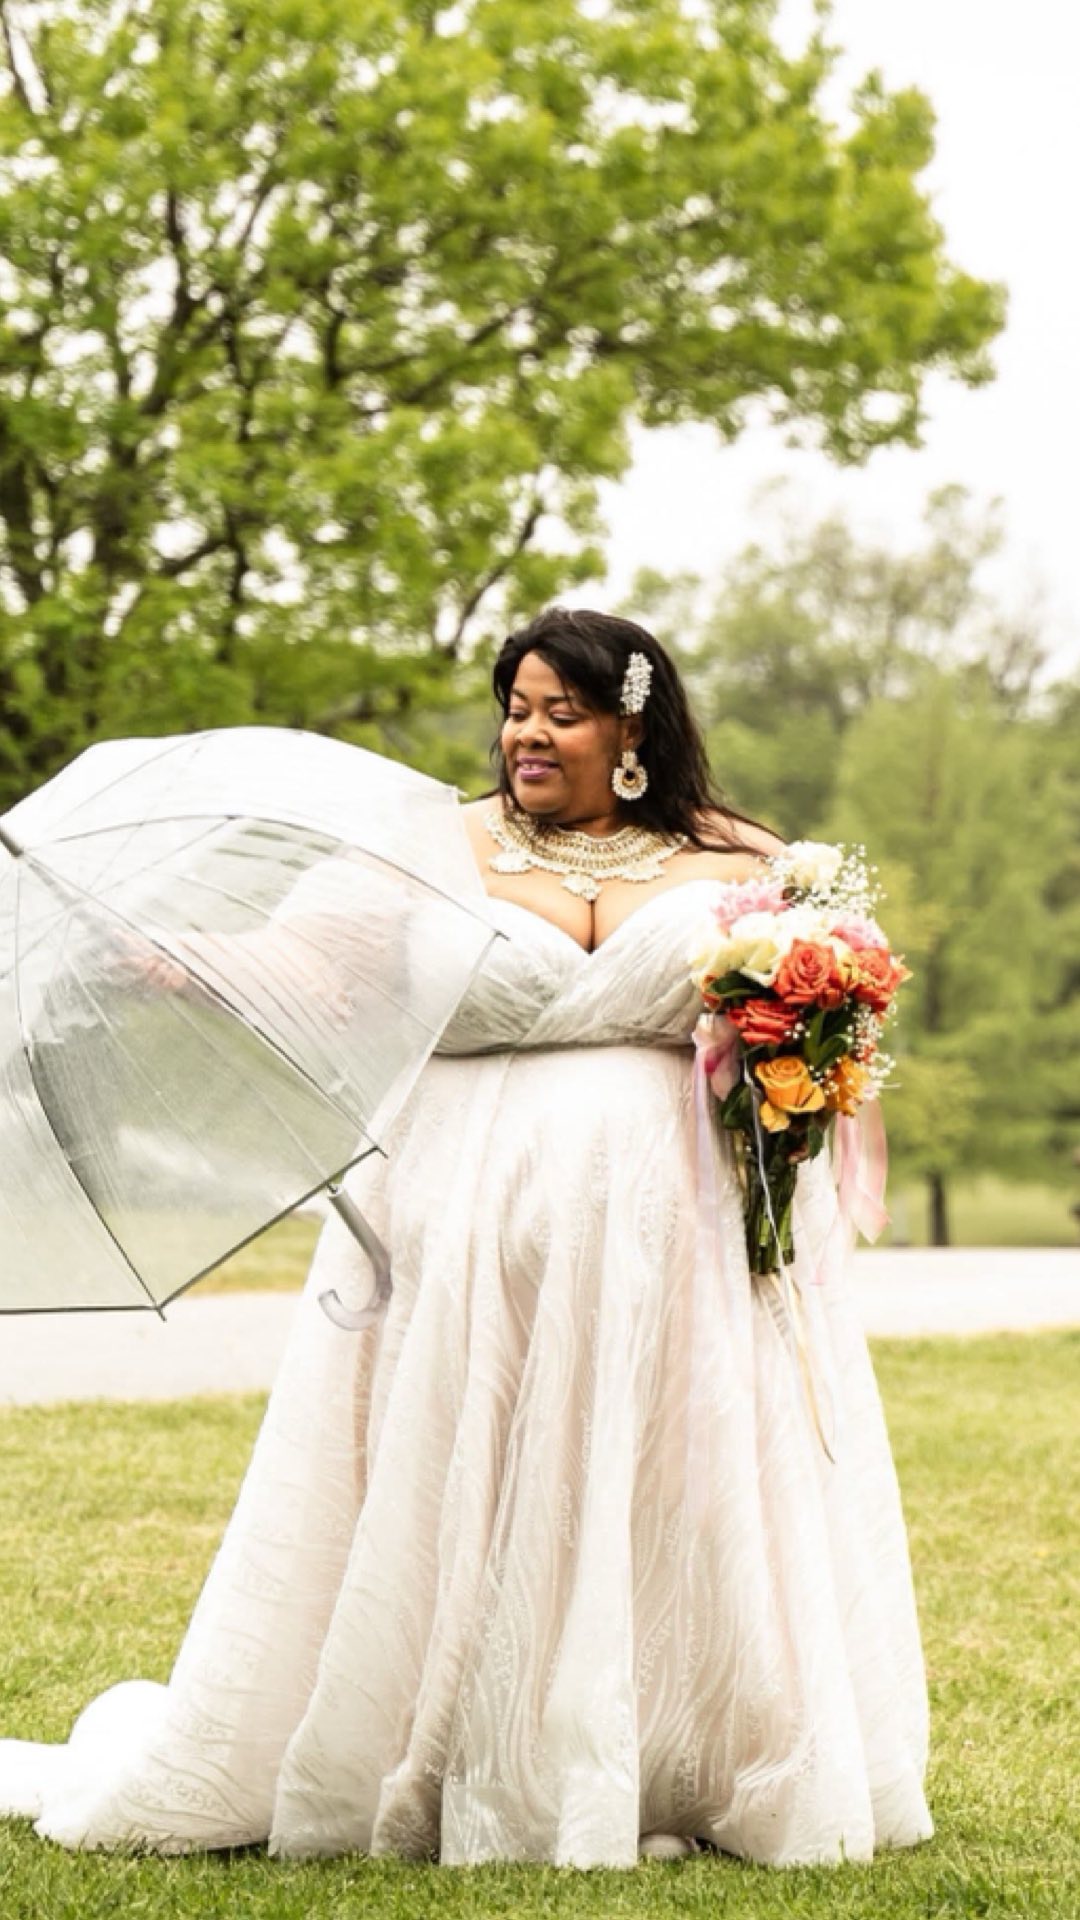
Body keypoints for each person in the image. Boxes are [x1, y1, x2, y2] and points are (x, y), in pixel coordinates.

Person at [0, 607, 933, 1868]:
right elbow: (307, 970)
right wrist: (165, 960)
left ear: (633, 730)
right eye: (516, 706)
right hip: (459, 1232)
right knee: (470, 1461)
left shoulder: (749, 863)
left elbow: (819, 1042)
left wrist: (807, 1055)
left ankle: (678, 1749)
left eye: (561, 711)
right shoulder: (425, 849)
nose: (527, 733)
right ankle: (447, 1741)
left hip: (684, 1253)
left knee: (673, 1475)